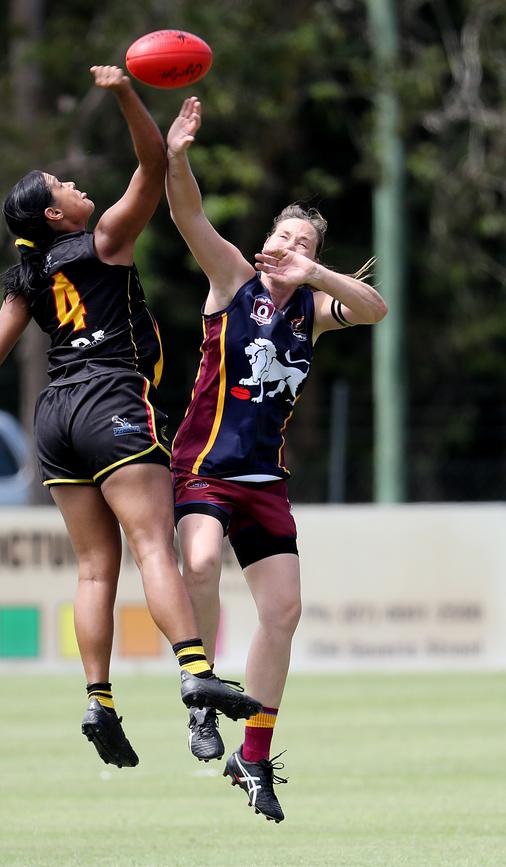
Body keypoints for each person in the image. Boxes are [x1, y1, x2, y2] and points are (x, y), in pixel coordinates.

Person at [0, 69, 261, 770]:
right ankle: (195, 668)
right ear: (55, 215)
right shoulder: (107, 237)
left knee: (93, 570)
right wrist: (126, 95)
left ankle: (99, 698)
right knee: (153, 545)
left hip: (54, 417)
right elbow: (149, 166)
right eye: (62, 185)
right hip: (111, 400)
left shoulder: (28, 279)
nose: (75, 185)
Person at [165, 96, 388, 821]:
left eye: (304, 240)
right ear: (266, 242)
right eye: (282, 232)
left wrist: (316, 276)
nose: (288, 242)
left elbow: (377, 307)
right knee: (197, 564)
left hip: (264, 483)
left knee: (283, 612)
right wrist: (177, 157)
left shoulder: (314, 309)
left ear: (314, 256)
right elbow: (187, 215)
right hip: (203, 467)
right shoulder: (233, 281)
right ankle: (199, 694)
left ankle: (253, 755)